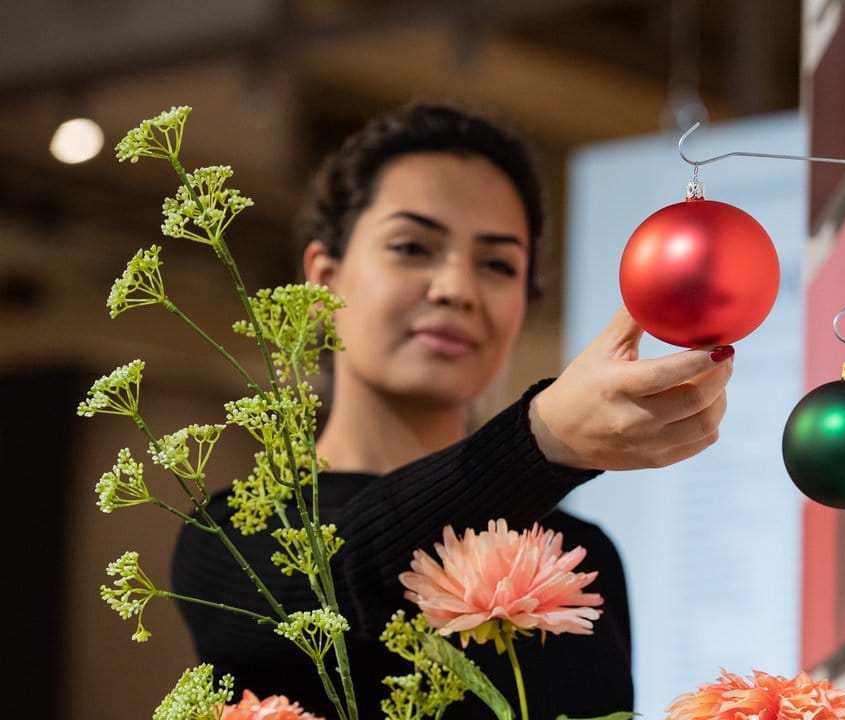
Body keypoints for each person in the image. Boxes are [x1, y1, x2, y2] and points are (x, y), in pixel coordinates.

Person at [172, 103, 734, 720]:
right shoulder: (227, 535)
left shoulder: (578, 558)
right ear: (322, 283)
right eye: (412, 247)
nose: (457, 288)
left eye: (497, 264)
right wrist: (538, 441)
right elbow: (335, 580)